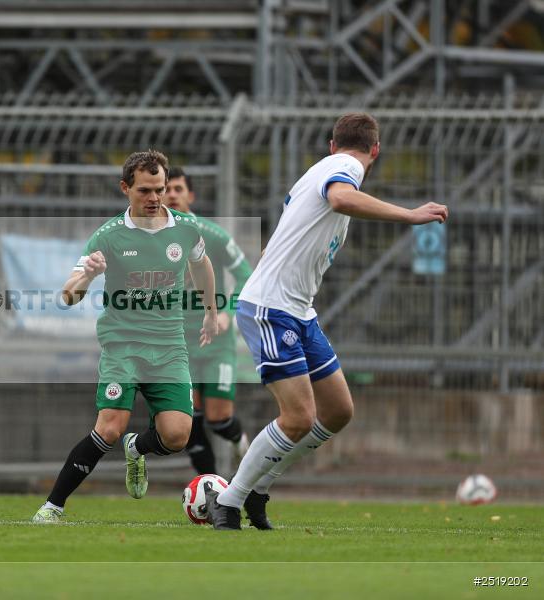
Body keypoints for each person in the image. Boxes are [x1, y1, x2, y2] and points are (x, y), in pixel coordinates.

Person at [205, 113, 448, 530]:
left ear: (332, 143)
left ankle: (260, 489)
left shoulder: (316, 172)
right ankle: (228, 501)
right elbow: (340, 198)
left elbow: (281, 240)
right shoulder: (346, 168)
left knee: (337, 411)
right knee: (298, 417)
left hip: (298, 310)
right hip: (273, 308)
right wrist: (409, 215)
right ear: (375, 150)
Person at [32, 150, 219, 523]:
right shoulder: (108, 237)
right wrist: (87, 275)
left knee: (178, 435)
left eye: (160, 190)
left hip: (169, 347)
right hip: (124, 346)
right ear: (125, 188)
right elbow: (68, 295)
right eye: (145, 191)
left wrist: (212, 312)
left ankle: (139, 446)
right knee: (110, 427)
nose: (154, 198)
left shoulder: (185, 228)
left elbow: (201, 265)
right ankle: (52, 506)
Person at [164, 167, 253, 476]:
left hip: (215, 343)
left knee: (219, 419)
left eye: (178, 188)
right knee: (186, 419)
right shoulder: (150, 239)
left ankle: (241, 442)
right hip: (175, 344)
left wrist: (228, 311)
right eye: (166, 189)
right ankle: (210, 487)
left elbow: (247, 276)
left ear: (190, 195)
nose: (171, 194)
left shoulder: (212, 235)